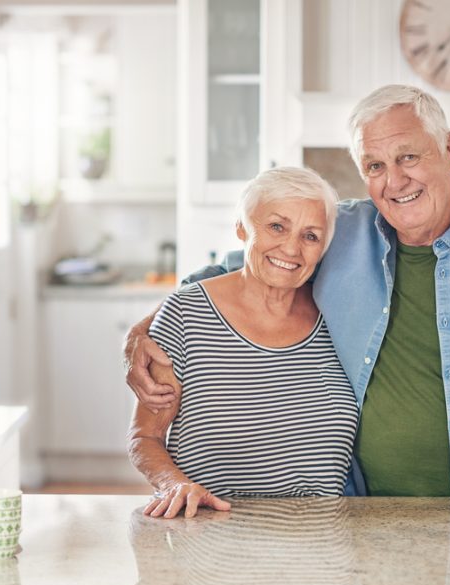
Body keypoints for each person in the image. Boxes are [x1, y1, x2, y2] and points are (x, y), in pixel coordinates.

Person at [125, 85, 450, 533]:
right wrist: (146, 330)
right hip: (362, 520)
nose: (395, 181)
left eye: (408, 157)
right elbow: (247, 265)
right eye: (375, 166)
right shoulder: (339, 233)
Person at [127, 166, 359, 519]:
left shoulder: (340, 318)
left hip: (320, 545)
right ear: (241, 227)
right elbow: (145, 437)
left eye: (311, 236)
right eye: (276, 226)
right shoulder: (186, 314)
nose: (292, 247)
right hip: (209, 537)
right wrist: (173, 483)